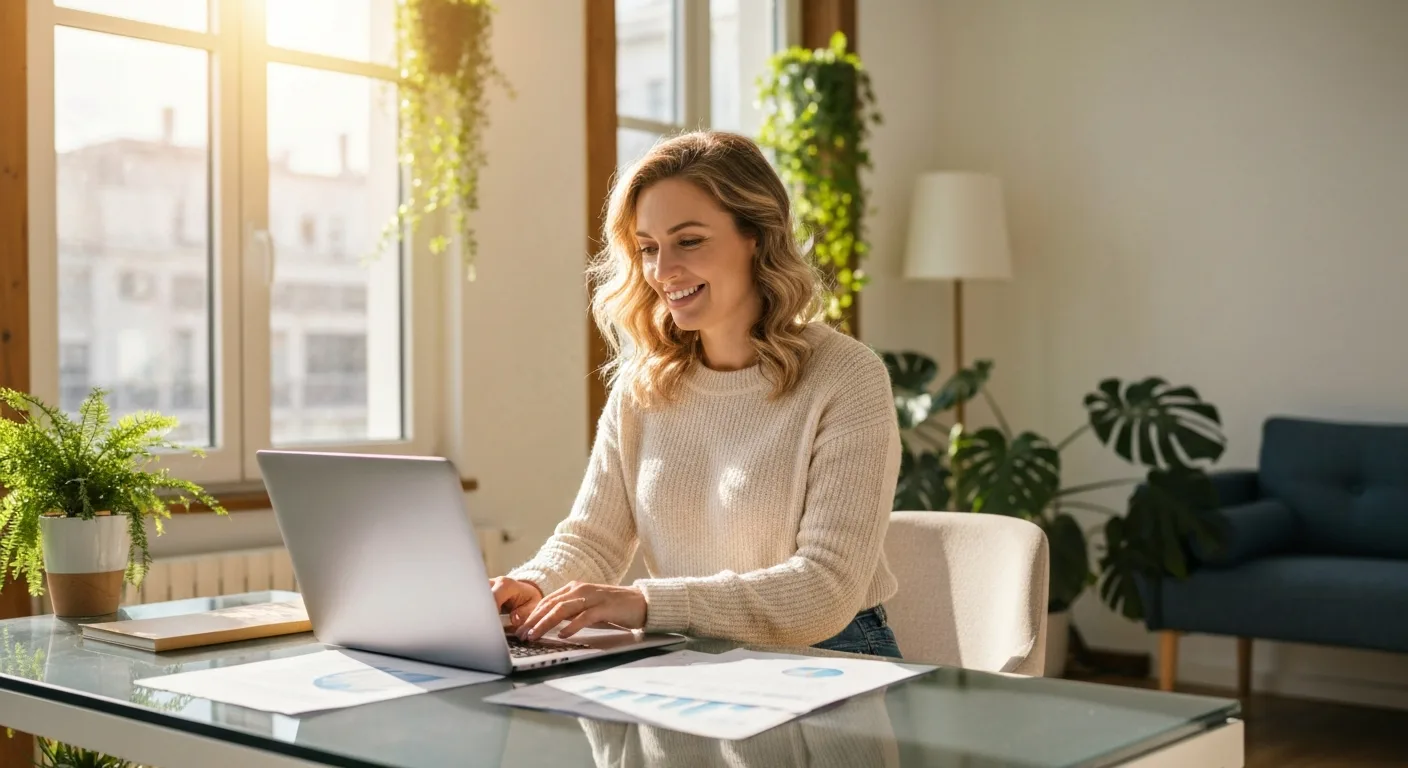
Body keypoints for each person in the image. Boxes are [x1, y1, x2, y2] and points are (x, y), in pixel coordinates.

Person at [491, 130, 903, 658]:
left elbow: (824, 590)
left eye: (689, 241)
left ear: (756, 235)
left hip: (833, 655)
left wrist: (644, 604)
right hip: (694, 652)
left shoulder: (846, 377)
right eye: (647, 249)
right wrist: (533, 586)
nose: (663, 272)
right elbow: (594, 538)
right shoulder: (644, 385)